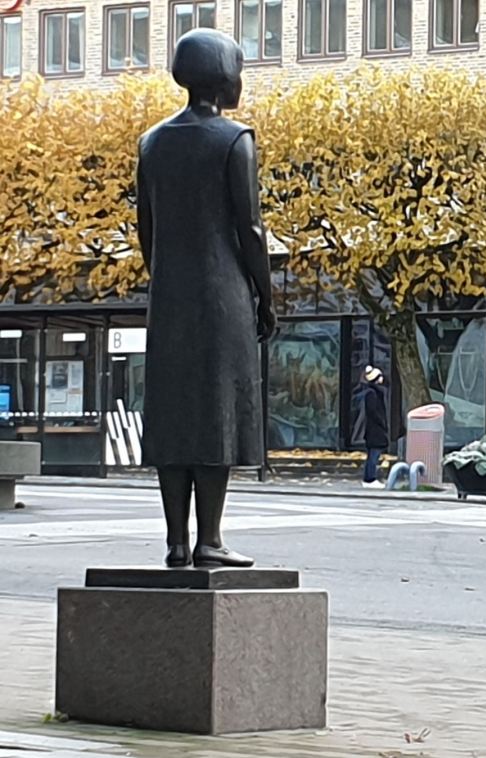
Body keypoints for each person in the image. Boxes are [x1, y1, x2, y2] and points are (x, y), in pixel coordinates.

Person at [136, 28, 276, 568]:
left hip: (170, 296)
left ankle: (176, 540)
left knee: (174, 413)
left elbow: (146, 228)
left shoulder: (152, 143)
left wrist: (167, 278)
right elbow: (251, 229)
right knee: (218, 410)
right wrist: (264, 295)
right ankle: (209, 538)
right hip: (222, 295)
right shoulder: (234, 139)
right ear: (223, 76)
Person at [360, 366, 388, 488]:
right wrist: (381, 422)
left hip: (374, 429)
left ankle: (368, 478)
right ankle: (370, 478)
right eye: (380, 376)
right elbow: (373, 411)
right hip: (375, 430)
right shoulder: (372, 393)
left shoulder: (372, 392)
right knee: (373, 455)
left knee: (372, 454)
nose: (382, 378)